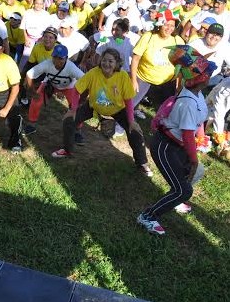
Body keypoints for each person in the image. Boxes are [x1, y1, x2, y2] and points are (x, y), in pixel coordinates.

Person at [137, 48, 215, 235]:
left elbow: (197, 122)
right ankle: (147, 216)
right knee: (184, 190)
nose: (211, 75)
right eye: (208, 73)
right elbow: (187, 134)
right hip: (165, 146)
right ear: (201, 79)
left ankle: (175, 197)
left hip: (176, 146)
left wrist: (202, 137)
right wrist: (194, 160)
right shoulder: (187, 101)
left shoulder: (198, 95)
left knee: (194, 175)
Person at [54, 49, 152, 177]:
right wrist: (72, 110)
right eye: (104, 60)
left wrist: (131, 121)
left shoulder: (122, 76)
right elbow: (76, 90)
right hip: (94, 106)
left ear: (116, 63)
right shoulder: (94, 72)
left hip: (117, 109)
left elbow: (128, 100)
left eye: (110, 61)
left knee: (135, 131)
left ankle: (142, 163)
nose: (106, 64)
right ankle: (67, 150)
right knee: (69, 121)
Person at [23, 44, 84, 136]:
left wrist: (81, 96)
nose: (57, 61)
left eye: (60, 58)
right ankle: (31, 124)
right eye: (55, 57)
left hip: (70, 87)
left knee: (76, 107)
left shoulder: (71, 67)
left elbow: (85, 79)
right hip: (51, 84)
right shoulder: (47, 64)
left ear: (66, 58)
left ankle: (78, 130)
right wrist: (33, 92)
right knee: (36, 101)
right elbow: (29, 74)